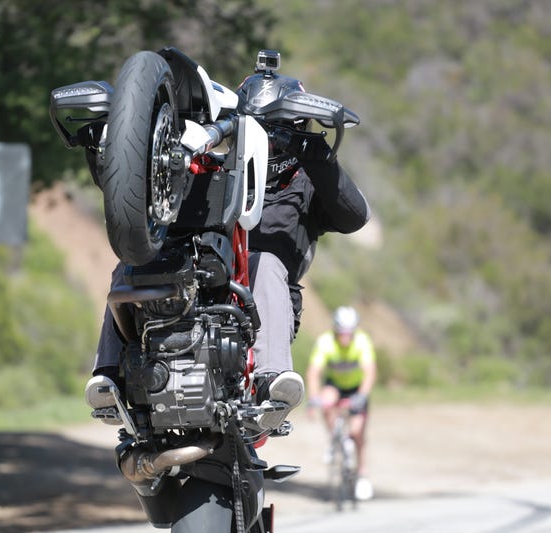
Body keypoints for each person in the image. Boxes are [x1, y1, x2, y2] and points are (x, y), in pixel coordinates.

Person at [84, 51, 371, 432]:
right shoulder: (216, 170)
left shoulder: (306, 182)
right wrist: (106, 144)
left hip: (257, 304)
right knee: (134, 261)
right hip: (195, 286)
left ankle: (272, 380)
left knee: (264, 261)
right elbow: (129, 191)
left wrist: (315, 153)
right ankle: (108, 377)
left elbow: (355, 215)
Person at [306, 306, 377, 501]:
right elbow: (314, 372)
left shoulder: (362, 341)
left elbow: (370, 372)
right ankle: (335, 438)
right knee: (326, 400)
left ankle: (362, 474)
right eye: (341, 332)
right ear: (335, 330)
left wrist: (362, 396)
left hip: (356, 388)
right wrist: (313, 399)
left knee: (357, 433)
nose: (345, 337)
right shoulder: (325, 341)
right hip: (335, 385)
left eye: (349, 333)